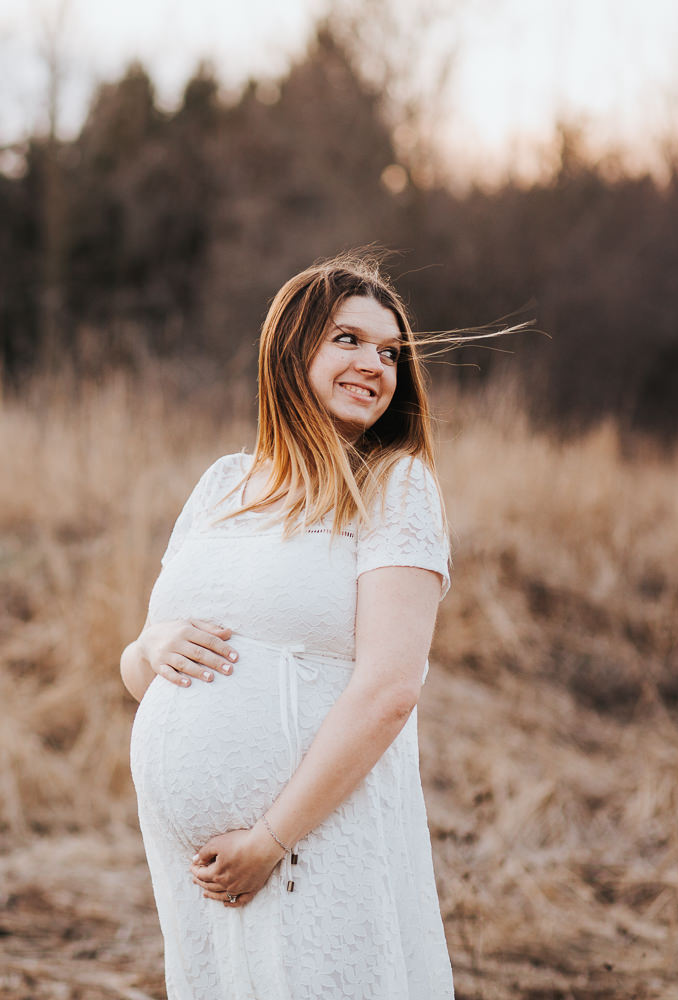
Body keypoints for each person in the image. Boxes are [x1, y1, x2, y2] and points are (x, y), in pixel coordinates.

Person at [120, 251, 455, 999]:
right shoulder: (223, 484)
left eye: (390, 351)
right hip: (199, 873)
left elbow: (390, 690)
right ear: (289, 349)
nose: (375, 362)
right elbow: (140, 669)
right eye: (348, 339)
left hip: (311, 846)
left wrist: (270, 842)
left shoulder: (395, 485)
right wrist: (150, 645)